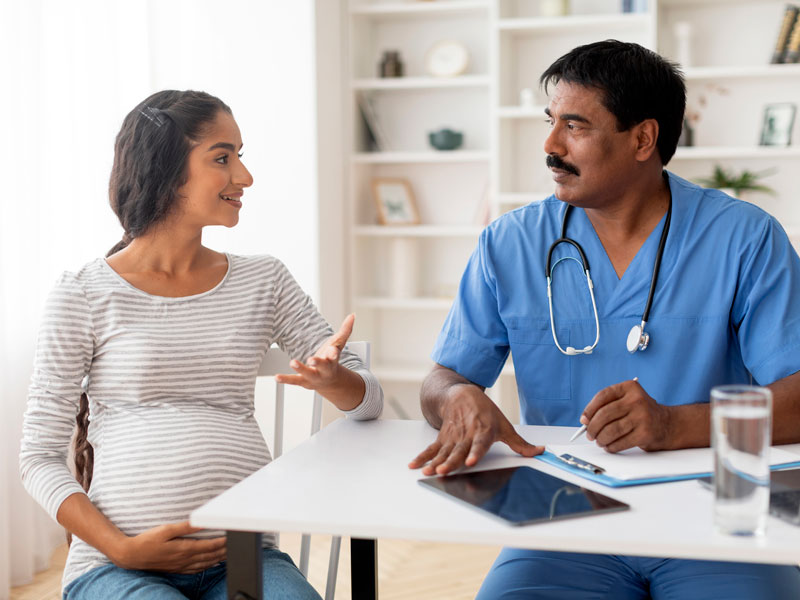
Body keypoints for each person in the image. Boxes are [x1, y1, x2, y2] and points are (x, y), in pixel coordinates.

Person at [409, 40, 800, 599]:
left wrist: (672, 427)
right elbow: (441, 379)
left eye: (576, 126)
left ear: (643, 138)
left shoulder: (744, 238)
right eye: (551, 122)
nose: (549, 145)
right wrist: (455, 398)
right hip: (560, 517)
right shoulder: (511, 243)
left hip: (716, 516)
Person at [19, 89, 383, 600]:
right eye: (222, 157)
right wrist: (123, 550)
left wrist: (335, 380)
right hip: (115, 566)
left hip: (244, 559)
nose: (245, 176)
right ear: (164, 167)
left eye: (241, 155)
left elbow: (369, 403)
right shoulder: (83, 290)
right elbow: (37, 456)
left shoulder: (264, 280)